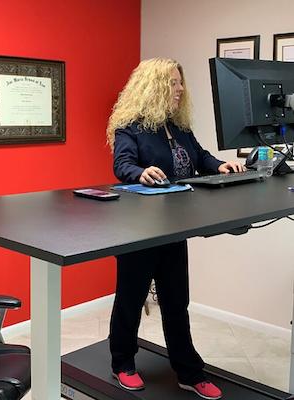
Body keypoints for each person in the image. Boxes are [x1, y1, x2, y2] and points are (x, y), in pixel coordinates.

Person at [106, 58, 245, 399]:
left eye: (180, 82)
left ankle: (188, 371)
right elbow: (122, 164)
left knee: (176, 301)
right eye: (173, 82)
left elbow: (201, 158)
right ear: (153, 87)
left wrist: (221, 165)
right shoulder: (131, 127)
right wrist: (140, 172)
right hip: (138, 230)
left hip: (173, 228)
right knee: (130, 298)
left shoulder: (179, 127)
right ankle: (122, 362)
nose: (181, 88)